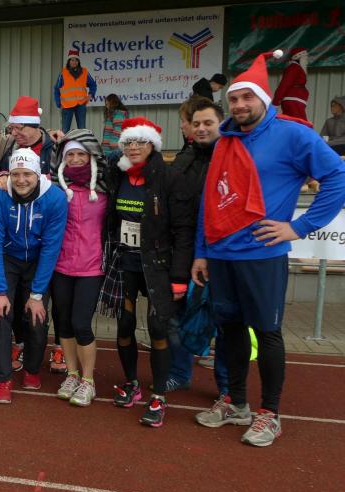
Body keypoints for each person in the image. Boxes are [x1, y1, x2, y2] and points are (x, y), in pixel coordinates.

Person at [191, 50, 345, 446]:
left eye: (247, 97)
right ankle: (236, 402)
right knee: (228, 331)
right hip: (221, 254)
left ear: (263, 99)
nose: (240, 105)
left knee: (268, 333)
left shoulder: (293, 134)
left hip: (262, 255)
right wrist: (202, 251)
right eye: (234, 99)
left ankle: (269, 414)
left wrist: (299, 227)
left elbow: (338, 176)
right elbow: (212, 200)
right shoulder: (225, 139)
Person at [98, 117, 194, 427]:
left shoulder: (170, 177)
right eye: (128, 142)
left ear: (152, 144)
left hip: (158, 266)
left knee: (157, 328)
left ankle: (159, 396)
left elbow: (183, 230)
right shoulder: (117, 174)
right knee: (124, 325)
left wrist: (179, 277)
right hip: (125, 261)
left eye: (140, 141)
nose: (134, 147)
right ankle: (131, 383)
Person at [0, 148, 67, 404]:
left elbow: (52, 247)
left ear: (38, 174)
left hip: (38, 259)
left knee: (36, 314)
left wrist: (37, 294)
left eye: (27, 174)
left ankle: (32, 368)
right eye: (16, 174)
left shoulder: (55, 197)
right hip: (8, 257)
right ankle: (3, 378)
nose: (21, 180)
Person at [165, 99, 229, 397]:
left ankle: (227, 387)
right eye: (195, 123)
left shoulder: (232, 156)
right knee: (176, 316)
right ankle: (179, 373)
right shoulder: (184, 158)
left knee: (225, 321)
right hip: (184, 252)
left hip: (221, 254)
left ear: (220, 124)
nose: (199, 128)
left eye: (207, 123)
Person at [49, 131, 109, 407]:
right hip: (61, 266)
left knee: (81, 324)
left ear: (91, 155)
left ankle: (88, 380)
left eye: (80, 154)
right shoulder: (55, 188)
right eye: (70, 154)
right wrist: (2, 175)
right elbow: (23, 180)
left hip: (91, 267)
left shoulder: (106, 187)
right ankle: (72, 374)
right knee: (63, 323)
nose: (74, 159)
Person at [53, 49, 96, 131]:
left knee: (82, 129)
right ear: (69, 61)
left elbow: (93, 84)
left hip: (81, 104)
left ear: (78, 62)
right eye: (72, 60)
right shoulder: (63, 73)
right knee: (65, 130)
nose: (74, 62)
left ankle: (82, 140)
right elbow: (56, 89)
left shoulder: (84, 72)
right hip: (67, 105)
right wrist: (59, 103)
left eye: (76, 60)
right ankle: (64, 140)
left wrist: (91, 95)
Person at [273, 48, 309, 121]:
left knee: (293, 122)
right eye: (305, 56)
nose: (307, 59)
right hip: (293, 100)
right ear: (298, 57)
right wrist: (275, 102)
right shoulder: (294, 67)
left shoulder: (296, 68)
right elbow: (284, 84)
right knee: (299, 123)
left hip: (295, 100)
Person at [101, 94, 128, 158]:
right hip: (108, 149)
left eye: (107, 104)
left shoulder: (119, 114)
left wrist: (114, 146)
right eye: (106, 104)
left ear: (113, 103)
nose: (106, 106)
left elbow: (117, 131)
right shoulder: (113, 114)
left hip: (112, 150)